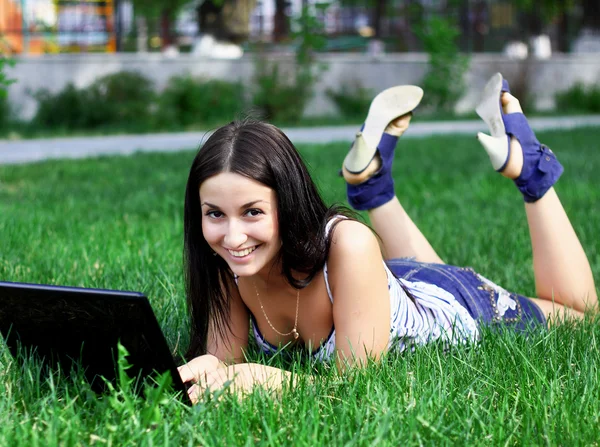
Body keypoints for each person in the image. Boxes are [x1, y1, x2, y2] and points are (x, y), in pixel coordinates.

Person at [177, 73, 598, 403]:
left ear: (286, 202)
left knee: (582, 316)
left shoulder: (349, 243)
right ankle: (372, 184)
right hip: (385, 287)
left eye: (252, 212)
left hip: (455, 305)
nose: (232, 236)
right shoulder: (227, 262)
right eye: (215, 214)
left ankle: (531, 170)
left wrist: (270, 381)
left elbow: (357, 387)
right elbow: (224, 368)